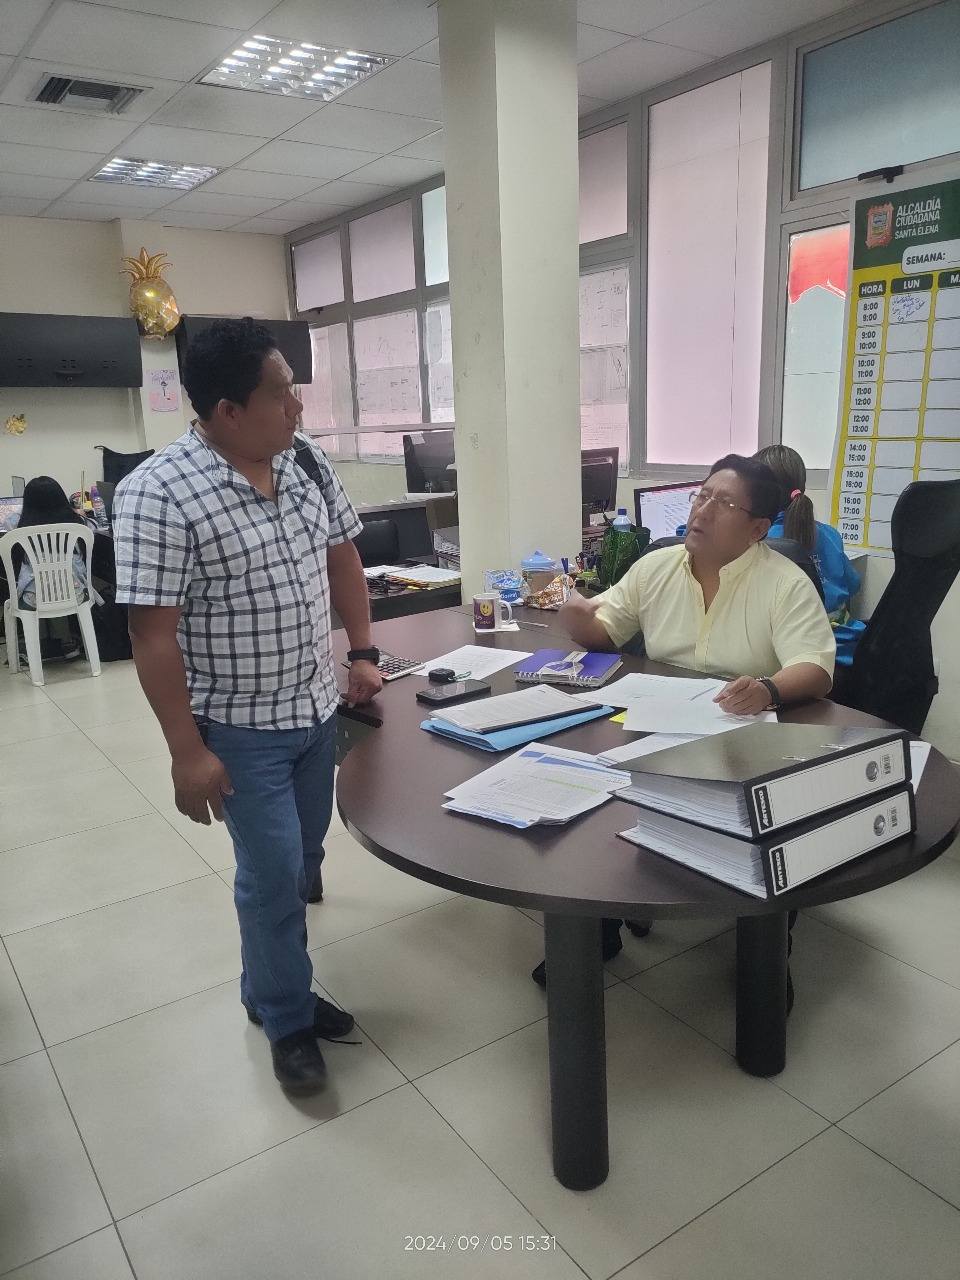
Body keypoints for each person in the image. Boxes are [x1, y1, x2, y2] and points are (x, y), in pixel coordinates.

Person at [113, 318, 382, 1096]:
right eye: (281, 395)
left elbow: (342, 556)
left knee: (299, 864)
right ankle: (288, 1020)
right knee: (270, 878)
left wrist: (362, 652)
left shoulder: (304, 460)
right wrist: (186, 752)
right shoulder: (159, 493)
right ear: (228, 411)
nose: (297, 408)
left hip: (315, 712)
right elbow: (151, 635)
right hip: (239, 730)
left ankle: (267, 988)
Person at [533, 453, 836, 999]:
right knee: (592, 790)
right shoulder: (657, 566)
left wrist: (767, 688)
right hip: (655, 724)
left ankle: (770, 948)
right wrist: (578, 618)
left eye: (724, 503)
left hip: (744, 734)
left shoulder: (784, 583)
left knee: (764, 821)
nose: (702, 509)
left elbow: (815, 668)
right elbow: (606, 630)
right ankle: (596, 927)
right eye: (703, 495)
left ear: (757, 528)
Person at [755, 443, 861, 618]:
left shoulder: (761, 543)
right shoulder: (830, 533)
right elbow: (854, 584)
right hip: (846, 631)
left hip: (802, 634)